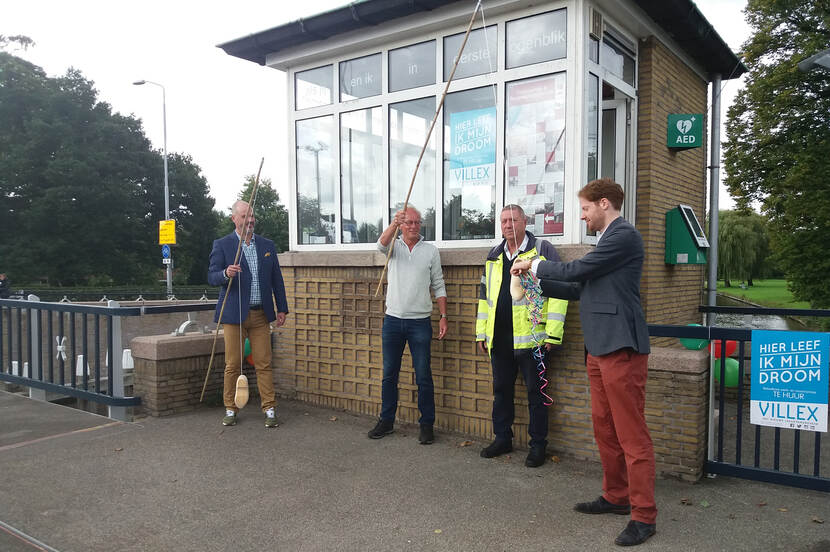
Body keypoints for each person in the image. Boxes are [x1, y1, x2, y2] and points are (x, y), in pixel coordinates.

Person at [511, 178, 656, 547]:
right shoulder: (606, 242)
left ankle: (643, 516)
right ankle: (616, 496)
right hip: (599, 349)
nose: (582, 215)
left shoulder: (623, 236)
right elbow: (578, 289)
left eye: (586, 208)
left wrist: (535, 263)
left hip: (622, 347)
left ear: (603, 203)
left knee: (631, 436)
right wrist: (532, 282)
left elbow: (575, 271)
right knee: (604, 428)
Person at [476, 205, 568, 468]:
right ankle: (502, 437)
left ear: (524, 222)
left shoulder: (542, 250)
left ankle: (538, 445)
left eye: (513, 220)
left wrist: (553, 334)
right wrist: (481, 333)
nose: (507, 225)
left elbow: (559, 292)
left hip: (534, 340)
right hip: (500, 339)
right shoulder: (494, 255)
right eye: (503, 220)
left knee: (536, 394)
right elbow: (485, 298)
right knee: (501, 391)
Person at [368, 207, 448, 445]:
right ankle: (386, 420)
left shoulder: (431, 251)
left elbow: (439, 285)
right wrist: (393, 224)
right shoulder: (393, 246)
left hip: (420, 322)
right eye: (409, 222)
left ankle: (426, 425)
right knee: (389, 374)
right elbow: (380, 245)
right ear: (402, 224)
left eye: (417, 222)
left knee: (423, 375)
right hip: (392, 320)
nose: (414, 226)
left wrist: (444, 315)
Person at [208, 200, 289, 428]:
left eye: (252, 216)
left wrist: (281, 308)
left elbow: (277, 280)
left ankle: (270, 409)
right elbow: (211, 276)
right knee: (233, 364)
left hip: (261, 314)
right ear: (234, 219)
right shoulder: (223, 245)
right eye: (244, 216)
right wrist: (226, 273)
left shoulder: (266, 245)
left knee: (264, 362)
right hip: (233, 315)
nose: (250, 220)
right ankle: (230, 409)